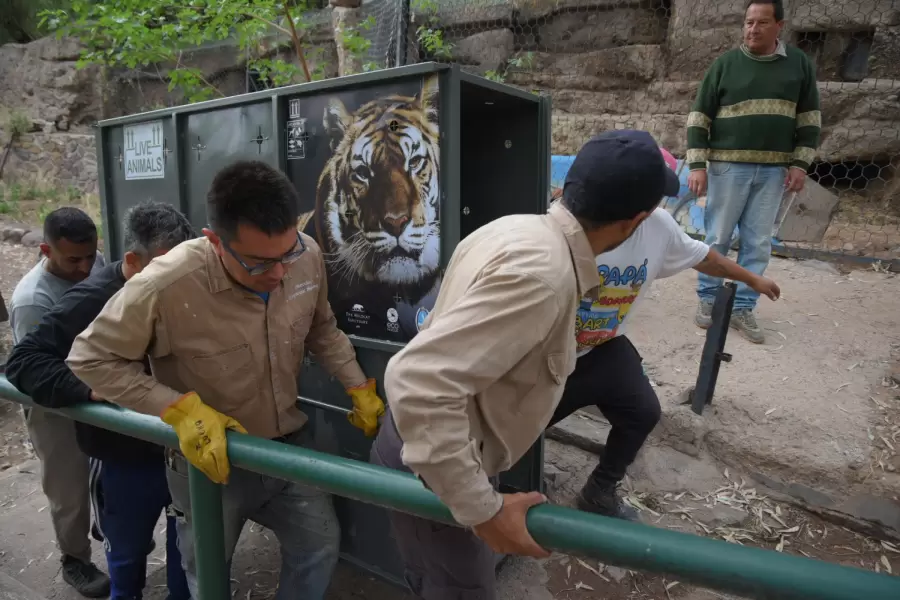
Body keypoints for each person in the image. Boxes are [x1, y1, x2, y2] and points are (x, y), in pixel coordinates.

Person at [371, 130, 676, 599]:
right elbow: (417, 380)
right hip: (435, 464)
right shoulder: (545, 275)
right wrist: (484, 511)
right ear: (636, 221)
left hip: (445, 449)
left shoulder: (517, 228)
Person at [67, 160, 386, 600]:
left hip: (285, 451)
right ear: (214, 241)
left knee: (318, 544)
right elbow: (90, 358)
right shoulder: (166, 284)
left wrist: (357, 386)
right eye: (259, 263)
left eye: (285, 254)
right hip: (208, 466)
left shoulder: (306, 254)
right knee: (206, 574)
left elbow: (322, 329)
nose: (279, 273)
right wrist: (178, 408)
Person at [546, 145, 780, 523]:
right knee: (516, 432)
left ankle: (599, 491)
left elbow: (703, 256)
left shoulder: (656, 226)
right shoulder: (552, 232)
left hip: (600, 346)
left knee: (641, 411)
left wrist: (751, 277)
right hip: (545, 358)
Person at [6, 201, 196, 600]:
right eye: (165, 268)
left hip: (184, 451)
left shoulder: (185, 287)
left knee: (189, 555)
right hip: (125, 458)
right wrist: (93, 388)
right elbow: (24, 362)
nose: (177, 279)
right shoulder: (88, 301)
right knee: (126, 559)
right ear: (133, 261)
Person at [687, 0, 820, 343]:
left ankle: (743, 307)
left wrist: (799, 163)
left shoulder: (799, 66)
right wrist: (698, 165)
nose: (753, 29)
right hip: (729, 167)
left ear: (780, 25)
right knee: (718, 235)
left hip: (775, 170)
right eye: (748, 22)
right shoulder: (726, 65)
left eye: (762, 22)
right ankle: (708, 300)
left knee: (758, 241)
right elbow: (699, 117)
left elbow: (809, 120)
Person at [8, 207, 110, 598]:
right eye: (74, 260)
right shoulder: (32, 301)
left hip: (95, 386)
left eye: (91, 255)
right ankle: (75, 558)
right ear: (46, 250)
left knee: (108, 467)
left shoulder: (93, 261)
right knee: (68, 488)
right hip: (54, 403)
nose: (86, 268)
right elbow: (34, 370)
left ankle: (111, 528)